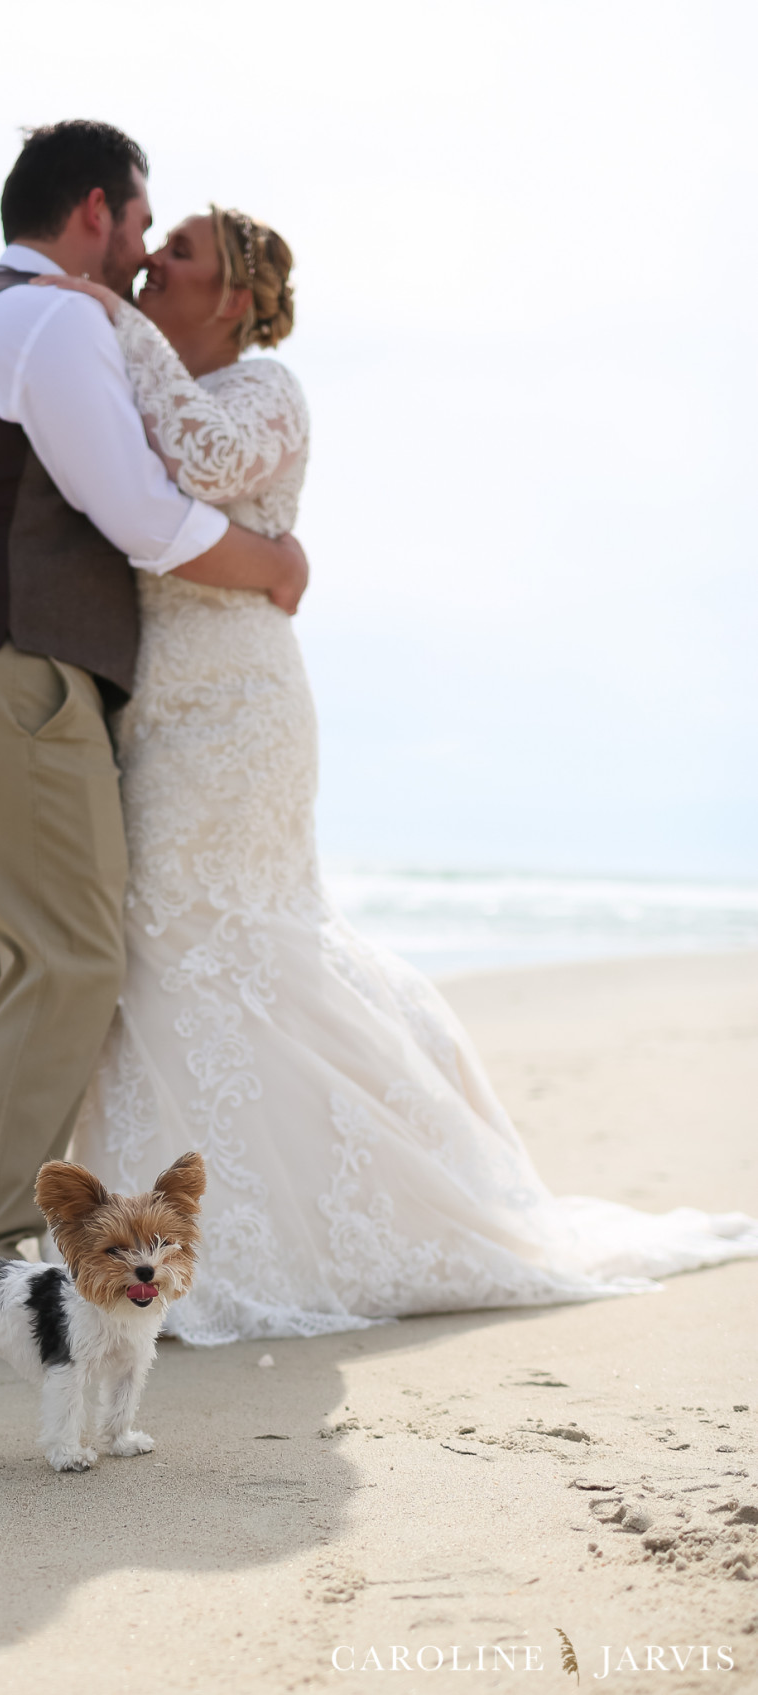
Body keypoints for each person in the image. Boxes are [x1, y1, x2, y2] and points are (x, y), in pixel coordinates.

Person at [37, 208, 758, 1344]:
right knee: (168, 939)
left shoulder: (267, 388)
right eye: (153, 245)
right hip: (156, 702)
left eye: (180, 252)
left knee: (206, 929)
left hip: (239, 711)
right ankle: (166, 1234)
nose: (152, 263)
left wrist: (114, 322)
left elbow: (205, 463)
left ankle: (243, 1242)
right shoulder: (139, 377)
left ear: (234, 297)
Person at [0, 123, 308, 1268]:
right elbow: (142, 516)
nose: (142, 254)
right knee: (67, 959)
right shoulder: (58, 318)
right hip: (9, 673)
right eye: (139, 224)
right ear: (90, 213)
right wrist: (272, 564)